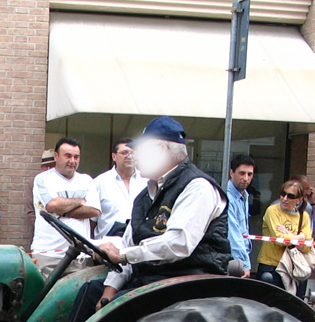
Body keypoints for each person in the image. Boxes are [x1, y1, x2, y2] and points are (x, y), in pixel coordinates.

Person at [92, 116, 229, 308]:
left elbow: (178, 243)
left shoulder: (197, 187)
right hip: (150, 278)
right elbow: (129, 245)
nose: (135, 157)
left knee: (120, 309)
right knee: (88, 293)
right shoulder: (144, 196)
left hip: (186, 281)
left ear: (162, 150)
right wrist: (109, 290)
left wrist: (122, 255)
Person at [30, 137, 101, 275]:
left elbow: (94, 211)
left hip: (80, 257)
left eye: (76, 157)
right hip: (48, 256)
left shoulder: (86, 180)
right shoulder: (43, 179)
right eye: (67, 156)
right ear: (56, 156)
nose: (72, 161)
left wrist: (62, 211)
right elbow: (52, 205)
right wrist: (81, 201)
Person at [255, 179, 313, 289]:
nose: (285, 198)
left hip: (293, 267)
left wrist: (288, 234)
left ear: (299, 200)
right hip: (271, 266)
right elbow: (279, 239)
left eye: (290, 196)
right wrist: (300, 237)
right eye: (283, 194)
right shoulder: (272, 211)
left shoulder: (304, 216)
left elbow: (307, 246)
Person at [94, 138, 147, 239]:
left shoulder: (147, 181)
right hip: (106, 244)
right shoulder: (100, 182)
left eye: (133, 152)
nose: (129, 156)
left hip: (138, 243)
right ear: (114, 156)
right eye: (124, 152)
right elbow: (91, 221)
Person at [225, 155, 255, 277]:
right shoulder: (227, 197)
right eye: (242, 173)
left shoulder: (244, 195)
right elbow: (234, 235)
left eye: (250, 174)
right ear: (231, 172)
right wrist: (244, 264)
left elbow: (243, 232)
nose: (246, 178)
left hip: (236, 261)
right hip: (229, 261)